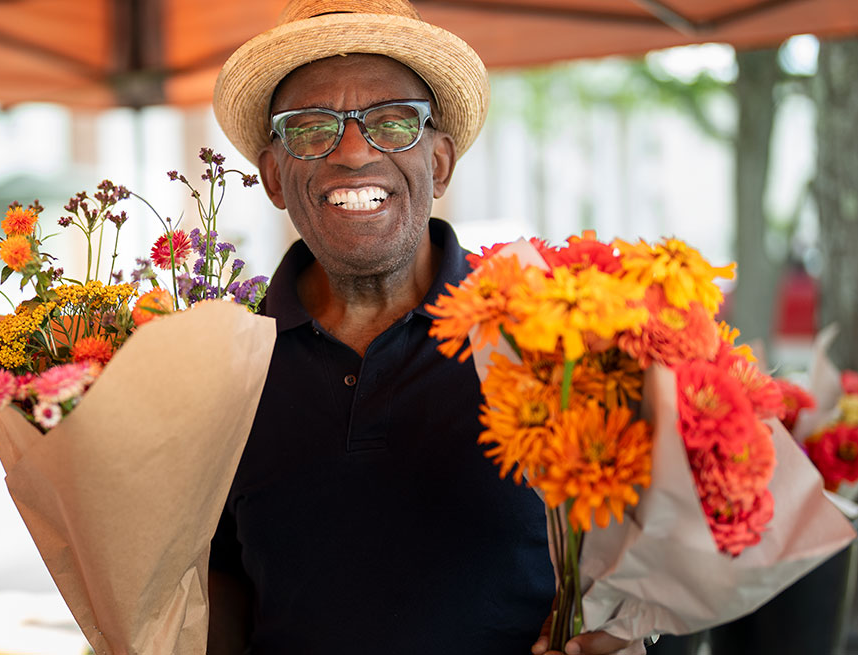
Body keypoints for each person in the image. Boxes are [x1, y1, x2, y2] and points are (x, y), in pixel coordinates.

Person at [208, 1, 645, 653]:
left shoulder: (549, 342)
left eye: (391, 122)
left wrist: (617, 634)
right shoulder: (221, 370)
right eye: (309, 128)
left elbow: (634, 566)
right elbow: (220, 580)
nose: (353, 154)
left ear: (440, 162)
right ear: (274, 175)